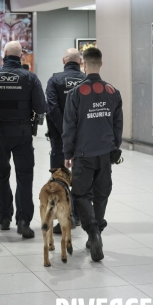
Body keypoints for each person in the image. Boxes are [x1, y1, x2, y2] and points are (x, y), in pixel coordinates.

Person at [62, 47, 123, 262]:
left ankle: (93, 232)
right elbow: (117, 125)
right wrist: (115, 149)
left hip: (83, 152)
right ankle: (96, 232)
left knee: (81, 194)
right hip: (105, 152)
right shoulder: (113, 92)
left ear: (83, 65)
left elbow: (69, 126)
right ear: (101, 64)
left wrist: (67, 153)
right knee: (102, 193)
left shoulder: (76, 93)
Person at [0, 41, 47, 238]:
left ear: (4, 56)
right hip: (22, 133)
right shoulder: (30, 78)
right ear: (21, 57)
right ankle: (23, 221)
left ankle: (4, 218)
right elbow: (42, 108)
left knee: (1, 175)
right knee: (24, 177)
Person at [46, 48, 86, 234]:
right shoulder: (87, 80)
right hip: (84, 139)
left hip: (59, 139)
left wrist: (65, 132)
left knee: (60, 177)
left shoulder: (55, 80)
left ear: (64, 60)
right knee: (81, 178)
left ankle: (63, 218)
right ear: (80, 62)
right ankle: (78, 216)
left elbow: (52, 108)